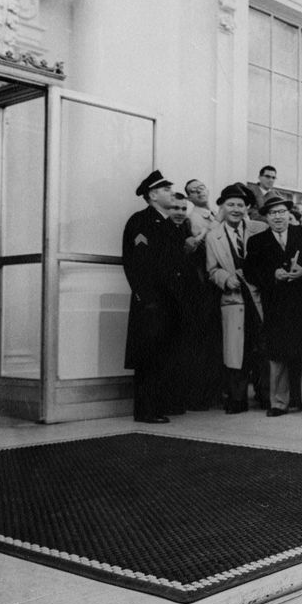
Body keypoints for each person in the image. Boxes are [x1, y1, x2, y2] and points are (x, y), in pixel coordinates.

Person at [243, 194, 302, 417]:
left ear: (289, 214)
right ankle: (279, 403)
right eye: (272, 213)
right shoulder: (257, 241)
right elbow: (250, 271)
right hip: (276, 306)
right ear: (266, 217)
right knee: (277, 355)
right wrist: (272, 275)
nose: (277, 217)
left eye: (281, 212)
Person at [122, 170, 187, 424]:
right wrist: (147, 299)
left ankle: (159, 406)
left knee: (164, 356)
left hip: (169, 303)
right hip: (152, 303)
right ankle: (146, 411)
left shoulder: (169, 223)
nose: (172, 192)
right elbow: (138, 264)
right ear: (153, 195)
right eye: (166, 189)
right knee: (149, 357)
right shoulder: (141, 221)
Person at [205, 183, 267, 414]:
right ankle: (237, 400)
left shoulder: (259, 229)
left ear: (247, 207)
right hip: (233, 300)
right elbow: (211, 269)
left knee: (261, 348)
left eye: (240, 205)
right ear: (222, 207)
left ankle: (265, 397)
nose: (236, 209)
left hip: (258, 298)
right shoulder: (214, 236)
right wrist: (225, 278)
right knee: (235, 352)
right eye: (230, 204)